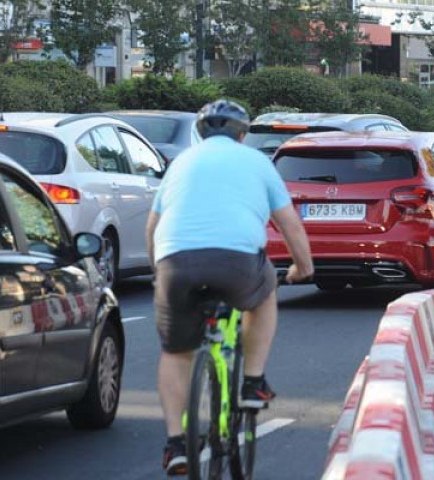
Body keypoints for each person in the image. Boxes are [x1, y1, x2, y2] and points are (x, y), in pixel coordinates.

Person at [146, 99, 314, 476]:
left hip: (176, 262)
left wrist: (160, 274)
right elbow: (289, 223)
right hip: (237, 261)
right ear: (242, 134)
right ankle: (253, 382)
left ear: (200, 133)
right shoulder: (258, 163)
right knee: (265, 290)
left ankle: (176, 445)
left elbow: (152, 228)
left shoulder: (180, 164)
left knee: (176, 354)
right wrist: (303, 268)